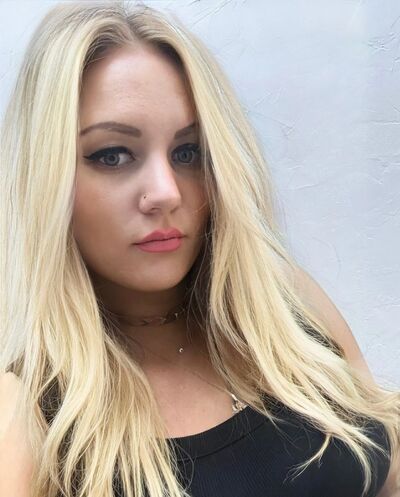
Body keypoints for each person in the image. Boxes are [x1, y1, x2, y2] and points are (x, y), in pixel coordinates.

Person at [0, 1, 398, 496]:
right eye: (112, 155)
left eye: (188, 151)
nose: (166, 192)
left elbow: (387, 466)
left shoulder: (285, 304)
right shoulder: (29, 416)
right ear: (46, 178)